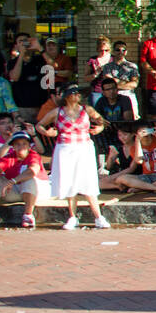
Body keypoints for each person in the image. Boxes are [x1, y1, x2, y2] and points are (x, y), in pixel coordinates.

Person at [37, 85, 110, 230]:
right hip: (65, 149)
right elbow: (39, 125)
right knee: (69, 182)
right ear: (67, 97)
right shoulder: (56, 112)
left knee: (88, 181)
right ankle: (72, 217)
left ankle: (98, 217)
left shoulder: (87, 109)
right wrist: (47, 133)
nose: (78, 96)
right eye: (74, 93)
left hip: (84, 148)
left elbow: (101, 120)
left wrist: (99, 128)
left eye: (78, 93)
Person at [110, 127, 156, 194]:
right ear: (136, 134)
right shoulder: (134, 147)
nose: (145, 133)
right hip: (147, 176)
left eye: (147, 130)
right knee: (121, 178)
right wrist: (138, 140)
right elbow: (139, 161)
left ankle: (141, 189)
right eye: (142, 131)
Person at [0, 131, 45, 227]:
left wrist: (14, 180)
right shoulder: (9, 158)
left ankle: (28, 215)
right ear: (13, 147)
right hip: (15, 191)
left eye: (24, 144)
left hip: (36, 192)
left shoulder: (33, 156)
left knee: (29, 179)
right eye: (18, 144)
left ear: (29, 146)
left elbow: (32, 171)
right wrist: (2, 179)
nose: (21, 147)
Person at [92, 77, 135, 172]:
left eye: (113, 88)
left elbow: (128, 119)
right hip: (106, 132)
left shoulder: (124, 99)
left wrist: (107, 123)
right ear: (103, 92)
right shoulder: (101, 101)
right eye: (108, 89)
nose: (111, 91)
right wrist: (102, 122)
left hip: (122, 131)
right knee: (96, 135)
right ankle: (102, 167)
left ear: (117, 89)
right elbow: (95, 118)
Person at [7, 33, 48, 123]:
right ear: (16, 45)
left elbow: (54, 65)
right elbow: (15, 77)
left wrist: (39, 48)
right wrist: (21, 54)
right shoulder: (12, 62)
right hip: (22, 107)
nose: (23, 43)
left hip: (41, 106)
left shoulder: (39, 59)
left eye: (25, 41)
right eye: (20, 41)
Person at [98, 40, 142, 118]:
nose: (120, 52)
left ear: (126, 52)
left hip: (129, 94)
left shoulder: (132, 66)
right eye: (118, 50)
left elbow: (134, 84)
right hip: (112, 96)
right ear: (113, 51)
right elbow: (108, 83)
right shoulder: (107, 67)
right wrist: (126, 82)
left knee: (133, 119)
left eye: (123, 50)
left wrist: (116, 83)